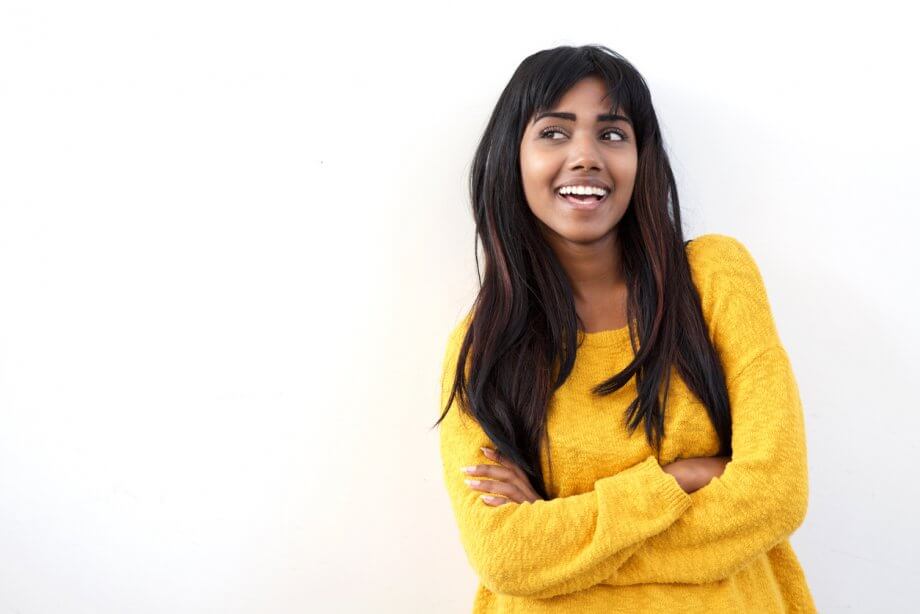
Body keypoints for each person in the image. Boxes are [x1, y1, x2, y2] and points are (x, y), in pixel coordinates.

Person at [432, 44, 816, 613]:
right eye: (554, 133)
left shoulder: (714, 279)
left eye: (612, 134)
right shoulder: (483, 346)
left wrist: (565, 540)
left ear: (642, 158)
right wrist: (677, 477)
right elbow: (506, 556)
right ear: (511, 157)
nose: (585, 155)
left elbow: (775, 494)